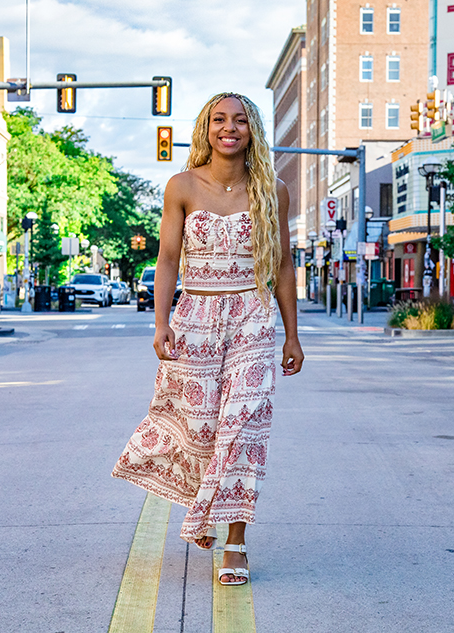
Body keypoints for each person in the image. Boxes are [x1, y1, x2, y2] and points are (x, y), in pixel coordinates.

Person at [112, 92, 304, 587]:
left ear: (251, 130)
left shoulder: (272, 190)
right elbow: (168, 260)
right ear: (206, 129)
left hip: (251, 317)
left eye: (240, 121)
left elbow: (283, 264)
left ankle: (234, 541)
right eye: (219, 120)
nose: (229, 128)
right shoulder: (181, 186)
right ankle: (206, 503)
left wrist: (292, 335)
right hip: (196, 314)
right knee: (199, 427)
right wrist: (161, 323)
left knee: (245, 422)